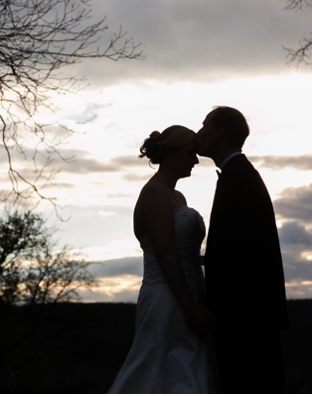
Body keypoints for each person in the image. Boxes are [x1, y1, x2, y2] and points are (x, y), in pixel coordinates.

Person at [108, 125, 213, 393]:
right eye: (190, 152)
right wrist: (189, 309)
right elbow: (165, 252)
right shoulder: (154, 191)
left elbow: (183, 251)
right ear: (170, 152)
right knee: (160, 365)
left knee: (186, 365)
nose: (196, 160)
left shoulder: (178, 196)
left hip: (190, 292)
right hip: (168, 296)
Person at [198, 106, 289, 393]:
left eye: (203, 127)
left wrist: (214, 310)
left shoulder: (237, 179)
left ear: (219, 133)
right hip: (251, 318)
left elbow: (235, 255)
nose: (198, 133)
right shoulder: (240, 174)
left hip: (244, 322)